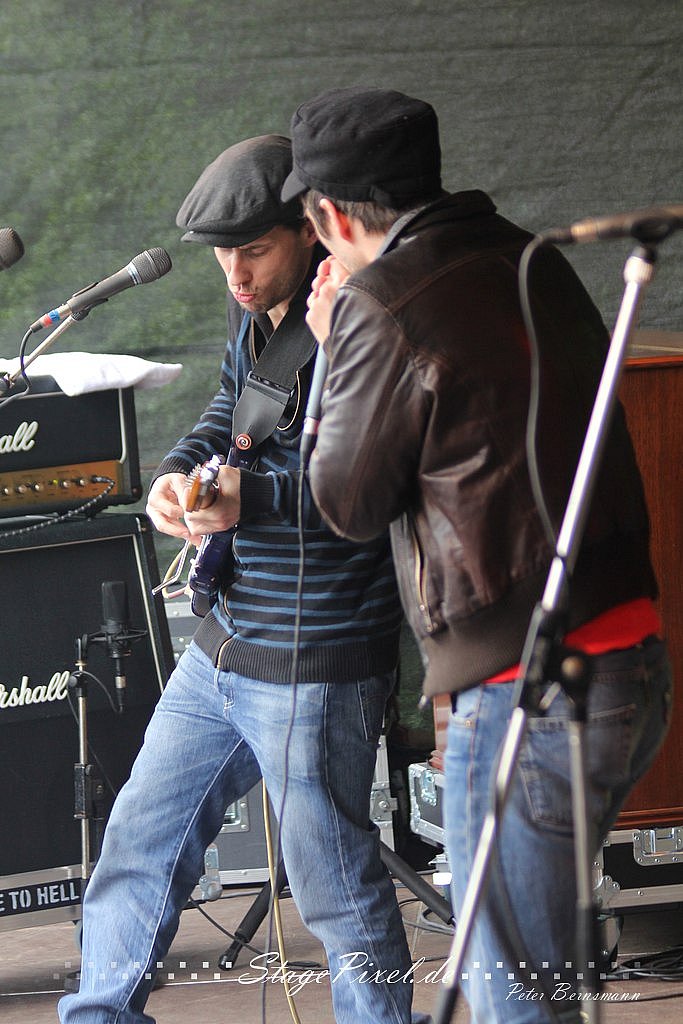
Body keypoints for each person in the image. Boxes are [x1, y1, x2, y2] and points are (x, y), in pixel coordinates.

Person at [283, 87, 673, 1024]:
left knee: (516, 997)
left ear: (331, 216)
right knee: (539, 982)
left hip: (518, 693)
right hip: (631, 661)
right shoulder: (529, 256)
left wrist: (332, 347)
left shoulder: (379, 303)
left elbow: (343, 501)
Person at [58, 134, 430, 1024]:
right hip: (224, 646)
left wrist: (245, 501)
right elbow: (233, 411)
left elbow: (364, 485)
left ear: (309, 230)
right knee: (139, 845)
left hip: (317, 653)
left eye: (252, 249)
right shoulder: (256, 309)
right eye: (222, 253)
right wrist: (177, 474)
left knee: (333, 884)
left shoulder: (361, 316)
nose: (234, 271)